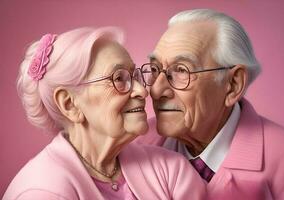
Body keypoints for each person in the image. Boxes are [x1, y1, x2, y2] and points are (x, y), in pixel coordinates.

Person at [3, 27, 207, 200]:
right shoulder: (42, 191)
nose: (142, 90)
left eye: (135, 76)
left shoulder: (171, 169)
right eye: (119, 78)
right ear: (69, 104)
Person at [136, 9, 284, 199]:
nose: (155, 90)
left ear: (233, 85)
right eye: (155, 69)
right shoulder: (134, 145)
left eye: (181, 70)